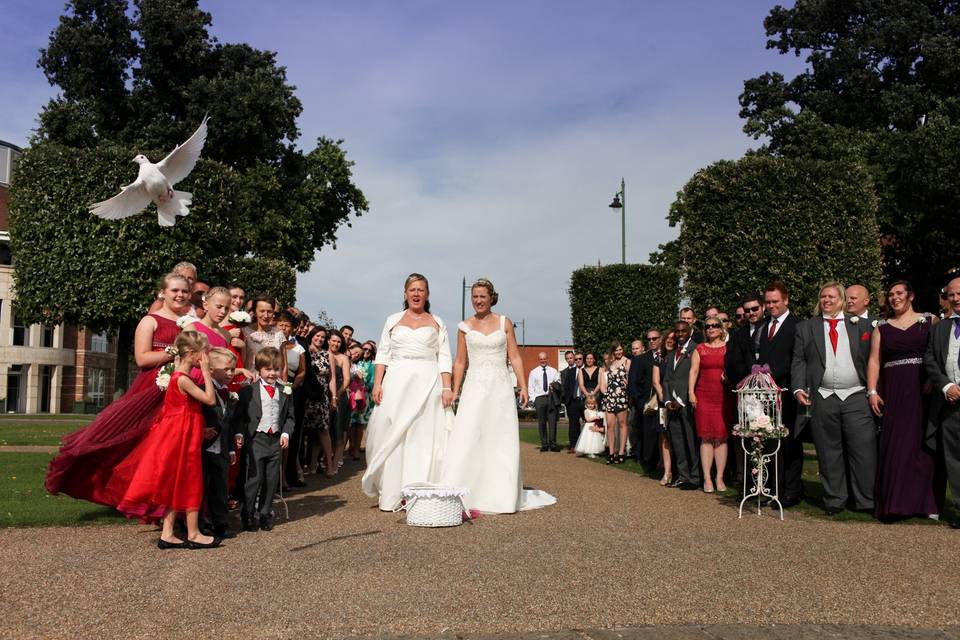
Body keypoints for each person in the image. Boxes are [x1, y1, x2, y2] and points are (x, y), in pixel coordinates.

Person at [45, 272, 191, 504]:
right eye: (175, 290)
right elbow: (142, 358)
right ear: (162, 293)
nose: (180, 295)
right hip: (152, 387)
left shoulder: (188, 324)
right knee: (132, 439)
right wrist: (174, 351)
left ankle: (158, 497)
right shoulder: (150, 321)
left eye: (184, 291)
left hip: (180, 387)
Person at [441, 278, 556, 513]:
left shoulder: (505, 322)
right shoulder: (464, 326)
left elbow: (514, 356)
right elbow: (460, 361)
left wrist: (523, 386)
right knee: (470, 432)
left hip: (500, 386)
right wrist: (454, 389)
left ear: (491, 297)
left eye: (482, 296)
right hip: (474, 385)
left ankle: (501, 492)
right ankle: (467, 488)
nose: (478, 301)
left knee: (499, 435)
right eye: (474, 297)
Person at [106, 331, 220, 549]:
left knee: (174, 482)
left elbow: (183, 410)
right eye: (203, 352)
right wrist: (206, 373)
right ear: (191, 354)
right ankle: (194, 533)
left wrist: (200, 428)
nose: (205, 356)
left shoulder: (177, 377)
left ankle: (167, 533)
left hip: (181, 433)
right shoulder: (183, 379)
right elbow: (209, 399)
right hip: (182, 439)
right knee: (190, 480)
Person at [361, 273, 455, 511]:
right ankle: (393, 490)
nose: (416, 294)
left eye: (421, 290)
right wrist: (378, 383)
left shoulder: (437, 321)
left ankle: (420, 490)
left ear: (427, 294)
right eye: (412, 289)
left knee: (424, 433)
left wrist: (446, 387)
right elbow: (382, 354)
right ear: (405, 293)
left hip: (428, 380)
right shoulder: (392, 320)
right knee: (393, 430)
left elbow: (444, 356)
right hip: (397, 380)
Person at [793, 282, 876, 515]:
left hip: (856, 395)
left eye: (831, 296)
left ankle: (865, 500)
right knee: (828, 452)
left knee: (863, 450)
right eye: (822, 297)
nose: (826, 300)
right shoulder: (806, 327)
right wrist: (798, 388)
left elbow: (874, 358)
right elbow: (799, 360)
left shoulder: (862, 325)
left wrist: (874, 390)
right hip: (823, 395)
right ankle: (834, 499)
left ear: (841, 298)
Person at [867, 280, 941, 519]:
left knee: (921, 444)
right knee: (896, 443)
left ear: (910, 295)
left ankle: (925, 503)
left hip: (922, 388)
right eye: (890, 294)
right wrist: (872, 391)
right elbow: (875, 361)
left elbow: (939, 353)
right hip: (894, 389)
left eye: (899, 293)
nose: (894, 298)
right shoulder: (882, 327)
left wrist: (933, 378)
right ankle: (895, 502)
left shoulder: (929, 321)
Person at [233, 347, 295, 532]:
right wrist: (239, 434)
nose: (272, 373)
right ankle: (248, 513)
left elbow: (290, 417)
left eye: (276, 369)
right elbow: (239, 417)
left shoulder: (285, 390)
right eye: (268, 369)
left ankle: (265, 513)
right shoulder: (247, 391)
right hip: (256, 439)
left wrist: (285, 433)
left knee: (271, 478)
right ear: (258, 369)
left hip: (275, 440)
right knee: (254, 478)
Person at [757, 281, 803, 506]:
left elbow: (797, 360)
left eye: (775, 301)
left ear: (786, 300)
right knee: (770, 444)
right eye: (768, 302)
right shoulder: (764, 326)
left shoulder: (798, 326)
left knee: (790, 443)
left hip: (787, 393)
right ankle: (774, 488)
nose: (771, 305)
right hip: (766, 396)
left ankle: (792, 492)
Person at [924, 273, 960, 528]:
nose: (956, 298)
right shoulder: (940, 328)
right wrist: (945, 385)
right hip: (950, 405)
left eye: (959, 294)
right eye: (952, 294)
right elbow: (930, 359)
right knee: (954, 460)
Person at [688, 317, 733, 493]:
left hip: (724, 397)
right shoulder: (700, 349)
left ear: (721, 329)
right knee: (706, 438)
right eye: (708, 326)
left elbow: (734, 368)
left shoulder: (728, 349)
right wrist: (691, 392)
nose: (711, 328)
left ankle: (719, 477)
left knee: (721, 438)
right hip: (704, 397)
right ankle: (707, 478)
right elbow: (693, 371)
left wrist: (729, 377)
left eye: (715, 326)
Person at [200, 347, 239, 540]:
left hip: (222, 447)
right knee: (203, 487)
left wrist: (231, 448)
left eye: (233, 369)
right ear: (212, 370)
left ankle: (221, 523)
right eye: (227, 369)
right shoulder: (203, 389)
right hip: (205, 447)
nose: (231, 373)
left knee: (220, 487)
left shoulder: (227, 393)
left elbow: (228, 424)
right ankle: (200, 523)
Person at [662, 321, 699, 489]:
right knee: (677, 441)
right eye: (677, 331)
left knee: (691, 441)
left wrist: (681, 399)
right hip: (672, 406)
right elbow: (667, 380)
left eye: (683, 331)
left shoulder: (696, 349)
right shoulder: (671, 355)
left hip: (687, 403)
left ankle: (695, 477)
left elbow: (695, 377)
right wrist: (668, 400)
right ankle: (683, 476)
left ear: (689, 331)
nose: (680, 334)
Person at [277, 311, 307, 489]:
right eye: (280, 324)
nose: (283, 328)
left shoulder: (299, 348)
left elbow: (302, 371)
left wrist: (292, 386)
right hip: (270, 384)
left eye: (287, 325)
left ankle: (283, 476)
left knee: (285, 432)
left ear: (293, 328)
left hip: (288, 389)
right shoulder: (272, 340)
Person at [302, 327, 335, 476]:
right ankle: (300, 468)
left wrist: (333, 397)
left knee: (323, 429)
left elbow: (332, 379)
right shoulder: (304, 350)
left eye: (323, 337)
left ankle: (329, 464)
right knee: (301, 431)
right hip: (305, 394)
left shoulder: (328, 355)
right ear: (312, 336)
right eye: (317, 336)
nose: (320, 339)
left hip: (321, 396)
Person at [629, 334, 658, 469]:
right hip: (646, 403)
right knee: (646, 433)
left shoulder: (666, 355)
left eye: (655, 338)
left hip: (664, 400)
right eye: (649, 339)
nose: (652, 341)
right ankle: (647, 461)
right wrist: (641, 401)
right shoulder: (640, 359)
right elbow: (633, 383)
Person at [651, 330, 675, 485]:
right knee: (665, 437)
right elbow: (655, 380)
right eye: (668, 338)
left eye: (673, 339)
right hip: (663, 403)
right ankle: (667, 472)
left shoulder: (682, 357)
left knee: (678, 437)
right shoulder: (660, 359)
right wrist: (662, 396)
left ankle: (679, 471)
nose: (670, 341)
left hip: (679, 401)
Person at [600, 342, 631, 464]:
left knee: (623, 424)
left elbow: (630, 379)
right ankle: (612, 453)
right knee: (610, 425)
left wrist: (627, 383)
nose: (618, 352)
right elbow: (604, 378)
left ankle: (621, 452)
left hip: (622, 396)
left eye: (620, 349)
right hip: (610, 397)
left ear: (623, 350)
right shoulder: (610, 363)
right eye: (616, 350)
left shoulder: (627, 362)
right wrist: (606, 393)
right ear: (613, 351)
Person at [327, 329, 352, 473]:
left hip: (340, 396)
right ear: (328, 340)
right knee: (324, 431)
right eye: (333, 340)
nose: (336, 343)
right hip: (324, 395)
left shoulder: (343, 358)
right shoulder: (324, 353)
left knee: (338, 430)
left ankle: (335, 463)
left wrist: (336, 394)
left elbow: (347, 379)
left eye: (338, 341)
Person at [348, 341, 376, 461]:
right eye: (364, 349)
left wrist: (363, 384)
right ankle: (350, 446)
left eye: (369, 350)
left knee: (359, 424)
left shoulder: (372, 366)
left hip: (364, 396)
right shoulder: (353, 362)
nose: (366, 351)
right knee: (350, 423)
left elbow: (373, 382)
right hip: (351, 394)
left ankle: (356, 449)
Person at [528, 351, 561, 451]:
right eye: (541, 359)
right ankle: (544, 445)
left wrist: (554, 386)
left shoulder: (554, 371)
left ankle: (553, 445)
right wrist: (534, 400)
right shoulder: (533, 372)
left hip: (551, 398)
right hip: (540, 399)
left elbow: (559, 383)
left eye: (544, 358)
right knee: (541, 423)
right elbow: (531, 387)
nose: (543, 360)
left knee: (552, 423)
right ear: (539, 360)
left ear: (547, 359)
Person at [243, 295, 285, 370]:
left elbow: (283, 365)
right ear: (255, 312)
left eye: (269, 312)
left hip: (273, 379)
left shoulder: (279, 334)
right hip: (251, 379)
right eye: (262, 311)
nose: (266, 315)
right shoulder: (245, 332)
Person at [560, 351, 584, 453]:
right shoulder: (570, 371)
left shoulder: (587, 369)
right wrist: (566, 401)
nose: (577, 360)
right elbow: (566, 387)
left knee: (589, 423)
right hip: (572, 401)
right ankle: (573, 445)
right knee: (573, 425)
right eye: (576, 359)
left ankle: (586, 446)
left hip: (585, 400)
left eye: (579, 359)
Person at [574, 393, 607, 457]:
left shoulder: (596, 411)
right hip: (588, 427)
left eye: (592, 404)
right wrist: (595, 418)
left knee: (595, 439)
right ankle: (588, 451)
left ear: (595, 404)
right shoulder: (586, 411)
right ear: (586, 404)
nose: (590, 405)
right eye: (588, 404)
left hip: (595, 426)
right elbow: (587, 419)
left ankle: (594, 451)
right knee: (588, 438)